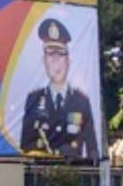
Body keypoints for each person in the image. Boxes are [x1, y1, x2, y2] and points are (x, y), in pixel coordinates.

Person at [20, 18, 97, 160]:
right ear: (44, 61)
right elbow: (26, 146)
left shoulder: (82, 101)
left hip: (74, 171)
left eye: (61, 54)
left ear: (68, 61)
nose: (56, 61)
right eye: (50, 54)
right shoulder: (34, 99)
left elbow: (92, 148)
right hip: (41, 171)